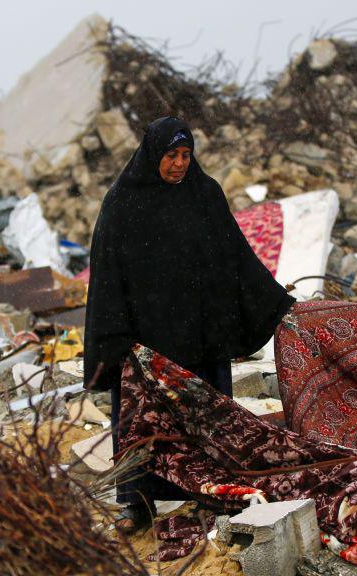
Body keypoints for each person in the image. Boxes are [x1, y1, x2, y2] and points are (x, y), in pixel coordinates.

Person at [84, 116, 295, 534]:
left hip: (201, 336)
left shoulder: (204, 194)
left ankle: (215, 494)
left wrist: (278, 303)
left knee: (209, 421)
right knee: (142, 429)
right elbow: (107, 275)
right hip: (148, 346)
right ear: (152, 155)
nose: (179, 164)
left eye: (185, 155)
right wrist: (115, 342)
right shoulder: (123, 202)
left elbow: (237, 258)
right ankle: (136, 505)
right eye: (170, 155)